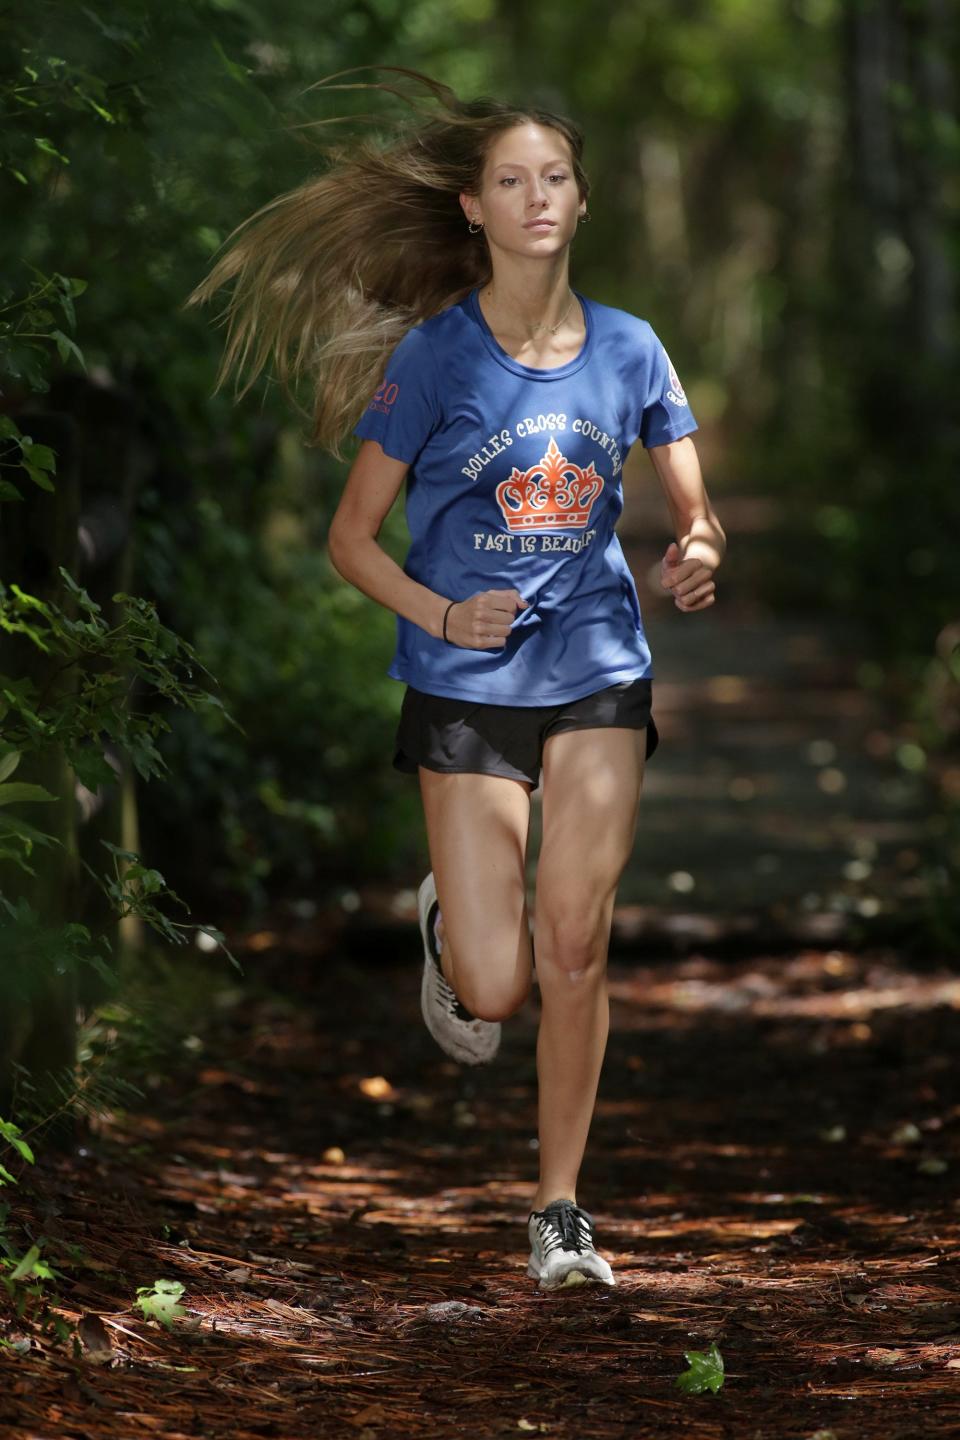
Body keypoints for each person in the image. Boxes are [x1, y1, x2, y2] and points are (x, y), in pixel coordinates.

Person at [185, 66, 726, 1292]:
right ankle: (448, 923)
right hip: (465, 682)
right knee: (498, 983)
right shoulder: (435, 359)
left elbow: (698, 515)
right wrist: (443, 610)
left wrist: (697, 549)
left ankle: (561, 1211)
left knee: (576, 941)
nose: (537, 197)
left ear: (582, 202)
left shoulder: (635, 350)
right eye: (511, 181)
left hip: (594, 666)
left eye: (556, 178)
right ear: (474, 210)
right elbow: (350, 538)